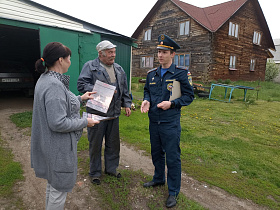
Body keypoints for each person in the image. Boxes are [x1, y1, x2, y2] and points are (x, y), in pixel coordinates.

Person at [31, 42, 99, 210]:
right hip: (57, 148)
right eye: (69, 58)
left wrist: (81, 98)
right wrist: (85, 122)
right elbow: (57, 122)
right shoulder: (54, 85)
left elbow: (60, 103)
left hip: (49, 145)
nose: (70, 61)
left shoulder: (46, 78)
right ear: (61, 60)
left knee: (53, 185)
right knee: (58, 189)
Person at [141, 34, 194, 208]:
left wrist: (171, 104)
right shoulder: (152, 74)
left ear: (173, 54)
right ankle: (158, 179)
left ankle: (173, 192)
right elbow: (147, 90)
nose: (160, 55)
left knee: (172, 157)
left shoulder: (181, 74)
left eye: (164, 52)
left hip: (170, 123)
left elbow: (188, 96)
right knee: (156, 153)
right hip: (154, 121)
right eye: (159, 52)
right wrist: (146, 100)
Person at [77, 40, 132, 185]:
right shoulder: (90, 66)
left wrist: (127, 104)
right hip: (96, 113)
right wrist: (101, 89)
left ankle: (111, 169)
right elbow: (81, 84)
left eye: (114, 52)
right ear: (100, 53)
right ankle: (95, 172)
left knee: (113, 143)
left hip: (114, 113)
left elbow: (125, 90)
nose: (113, 55)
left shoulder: (119, 69)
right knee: (95, 144)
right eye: (110, 52)